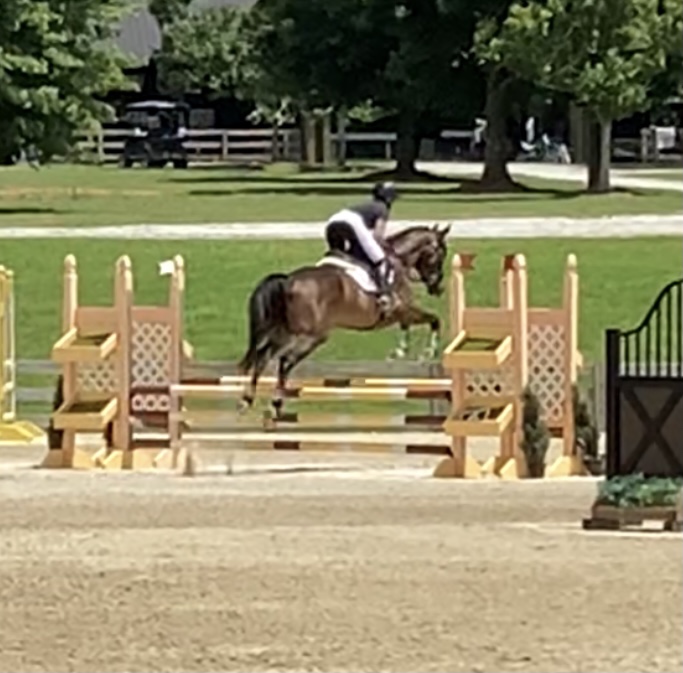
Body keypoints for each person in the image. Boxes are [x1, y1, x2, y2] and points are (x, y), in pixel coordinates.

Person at [324, 181, 397, 314]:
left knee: (338, 256)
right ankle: (383, 295)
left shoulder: (368, 206)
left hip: (333, 221)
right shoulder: (382, 208)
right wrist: (387, 247)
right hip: (352, 222)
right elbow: (377, 236)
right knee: (379, 259)